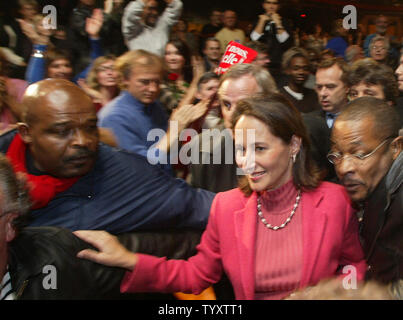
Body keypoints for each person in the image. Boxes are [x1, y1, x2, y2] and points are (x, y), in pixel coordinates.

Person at [74, 94, 366, 300]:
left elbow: (353, 267)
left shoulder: (335, 201)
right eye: (241, 149)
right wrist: (130, 260)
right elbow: (195, 275)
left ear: (293, 145)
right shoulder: (226, 207)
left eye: (260, 149)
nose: (247, 162)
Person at [0, 78, 214, 234]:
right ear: (26, 133)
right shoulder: (4, 164)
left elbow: (200, 206)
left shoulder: (126, 175)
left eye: (91, 128)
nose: (82, 141)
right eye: (62, 131)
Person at [329, 97, 402, 299]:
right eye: (337, 155)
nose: (344, 168)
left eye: (360, 155)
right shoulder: (371, 190)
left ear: (395, 148)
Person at [98, 49, 207, 174]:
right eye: (145, 82)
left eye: (157, 82)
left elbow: (169, 151)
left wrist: (186, 125)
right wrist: (174, 130)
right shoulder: (114, 116)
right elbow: (142, 167)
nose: (153, 88)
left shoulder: (153, 106)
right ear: (124, 79)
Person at [189, 63, 278, 193]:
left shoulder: (289, 146)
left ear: (269, 102)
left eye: (243, 104)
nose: (232, 115)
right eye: (226, 104)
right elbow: (196, 205)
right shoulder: (201, 147)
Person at [303, 57, 350, 181]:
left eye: (330, 87)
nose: (323, 93)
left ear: (347, 88)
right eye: (319, 87)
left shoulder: (360, 121)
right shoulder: (309, 122)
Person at [250, 0, 293, 82]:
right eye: (268, 3)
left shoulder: (284, 22)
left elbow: (286, 42)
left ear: (279, 6)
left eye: (274, 3)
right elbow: (254, 40)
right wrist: (262, 21)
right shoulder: (258, 20)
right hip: (261, 64)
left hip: (279, 65)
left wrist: (278, 23)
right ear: (264, 5)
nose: (271, 6)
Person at [279, 47, 320, 113]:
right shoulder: (280, 97)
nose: (301, 72)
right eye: (296, 68)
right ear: (287, 70)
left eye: (305, 68)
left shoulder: (314, 95)